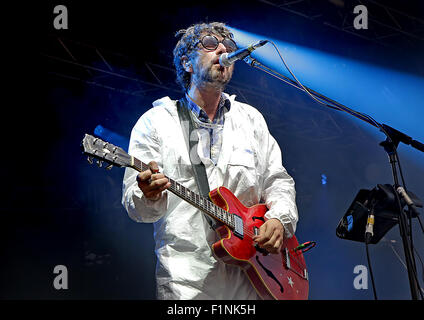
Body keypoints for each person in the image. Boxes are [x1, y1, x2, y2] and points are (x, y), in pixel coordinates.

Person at [122, 22, 298, 300]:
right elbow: (140, 211)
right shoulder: (155, 123)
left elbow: (277, 180)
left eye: (227, 47)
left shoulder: (250, 119)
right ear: (187, 63)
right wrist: (148, 194)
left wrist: (278, 219)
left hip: (253, 279)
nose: (223, 50)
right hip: (186, 281)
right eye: (209, 44)